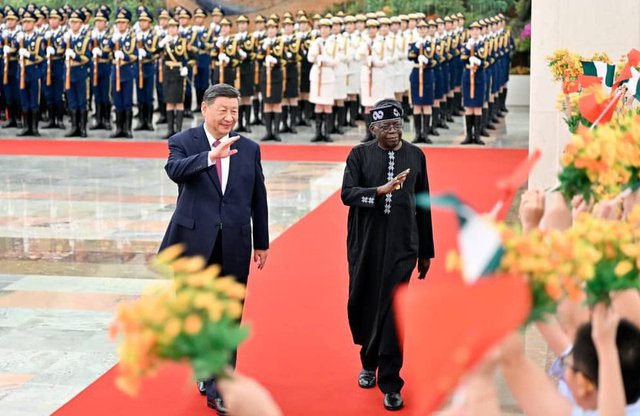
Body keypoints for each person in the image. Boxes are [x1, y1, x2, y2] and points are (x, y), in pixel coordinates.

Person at [159, 84, 269, 415]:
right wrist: (210, 157)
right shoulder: (183, 142)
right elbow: (174, 171)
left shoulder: (249, 148)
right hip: (193, 243)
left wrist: (261, 241)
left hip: (234, 241)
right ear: (205, 110)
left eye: (234, 111)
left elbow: (258, 197)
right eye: (222, 110)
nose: (228, 117)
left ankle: (220, 385)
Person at [341, 99, 434, 411]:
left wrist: (425, 252)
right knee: (363, 301)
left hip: (402, 246)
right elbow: (347, 194)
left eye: (397, 125)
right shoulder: (358, 155)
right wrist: (379, 191)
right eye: (386, 126)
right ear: (373, 129)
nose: (393, 131)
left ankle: (391, 381)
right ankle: (368, 361)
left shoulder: (416, 156)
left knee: (394, 311)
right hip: (364, 244)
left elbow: (424, 206)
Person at [158, 18, 188, 139]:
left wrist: (186, 67)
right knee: (169, 101)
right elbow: (155, 52)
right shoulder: (165, 42)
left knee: (179, 101)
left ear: (177, 29)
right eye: (169, 27)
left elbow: (188, 57)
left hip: (178, 73)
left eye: (174, 27)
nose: (171, 29)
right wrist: (161, 43)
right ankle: (170, 130)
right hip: (168, 73)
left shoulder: (183, 42)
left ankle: (178, 130)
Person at [62, 9, 90, 138]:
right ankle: (74, 127)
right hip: (68, 73)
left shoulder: (85, 39)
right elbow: (58, 52)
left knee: (81, 101)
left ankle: (82, 128)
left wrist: (75, 56)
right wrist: (62, 44)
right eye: (71, 22)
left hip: (80, 73)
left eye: (76, 22)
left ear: (81, 24)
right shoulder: (67, 38)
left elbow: (87, 58)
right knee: (72, 101)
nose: (73, 25)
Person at [17, 10, 44, 136]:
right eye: (24, 22)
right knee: (24, 101)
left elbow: (41, 57)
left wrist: (28, 55)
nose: (26, 25)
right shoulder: (19, 38)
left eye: (29, 22)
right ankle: (25, 127)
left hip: (33, 72)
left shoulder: (39, 39)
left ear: (34, 23)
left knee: (34, 101)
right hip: (22, 72)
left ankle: (34, 128)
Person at [461, 21, 486, 145]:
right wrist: (467, 52)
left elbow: (485, 58)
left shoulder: (483, 44)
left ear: (480, 31)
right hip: (467, 76)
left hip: (479, 76)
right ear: (470, 31)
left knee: (477, 106)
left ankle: (477, 135)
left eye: (477, 29)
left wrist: (477, 61)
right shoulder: (466, 44)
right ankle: (468, 136)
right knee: (468, 106)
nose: (475, 32)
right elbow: (462, 59)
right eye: (473, 30)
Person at [134, 7, 158, 132]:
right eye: (140, 21)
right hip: (138, 67)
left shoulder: (153, 37)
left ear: (149, 23)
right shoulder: (135, 36)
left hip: (148, 67)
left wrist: (147, 54)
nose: (142, 23)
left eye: (145, 21)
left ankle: (148, 121)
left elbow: (156, 53)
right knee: (139, 95)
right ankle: (141, 120)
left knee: (148, 95)